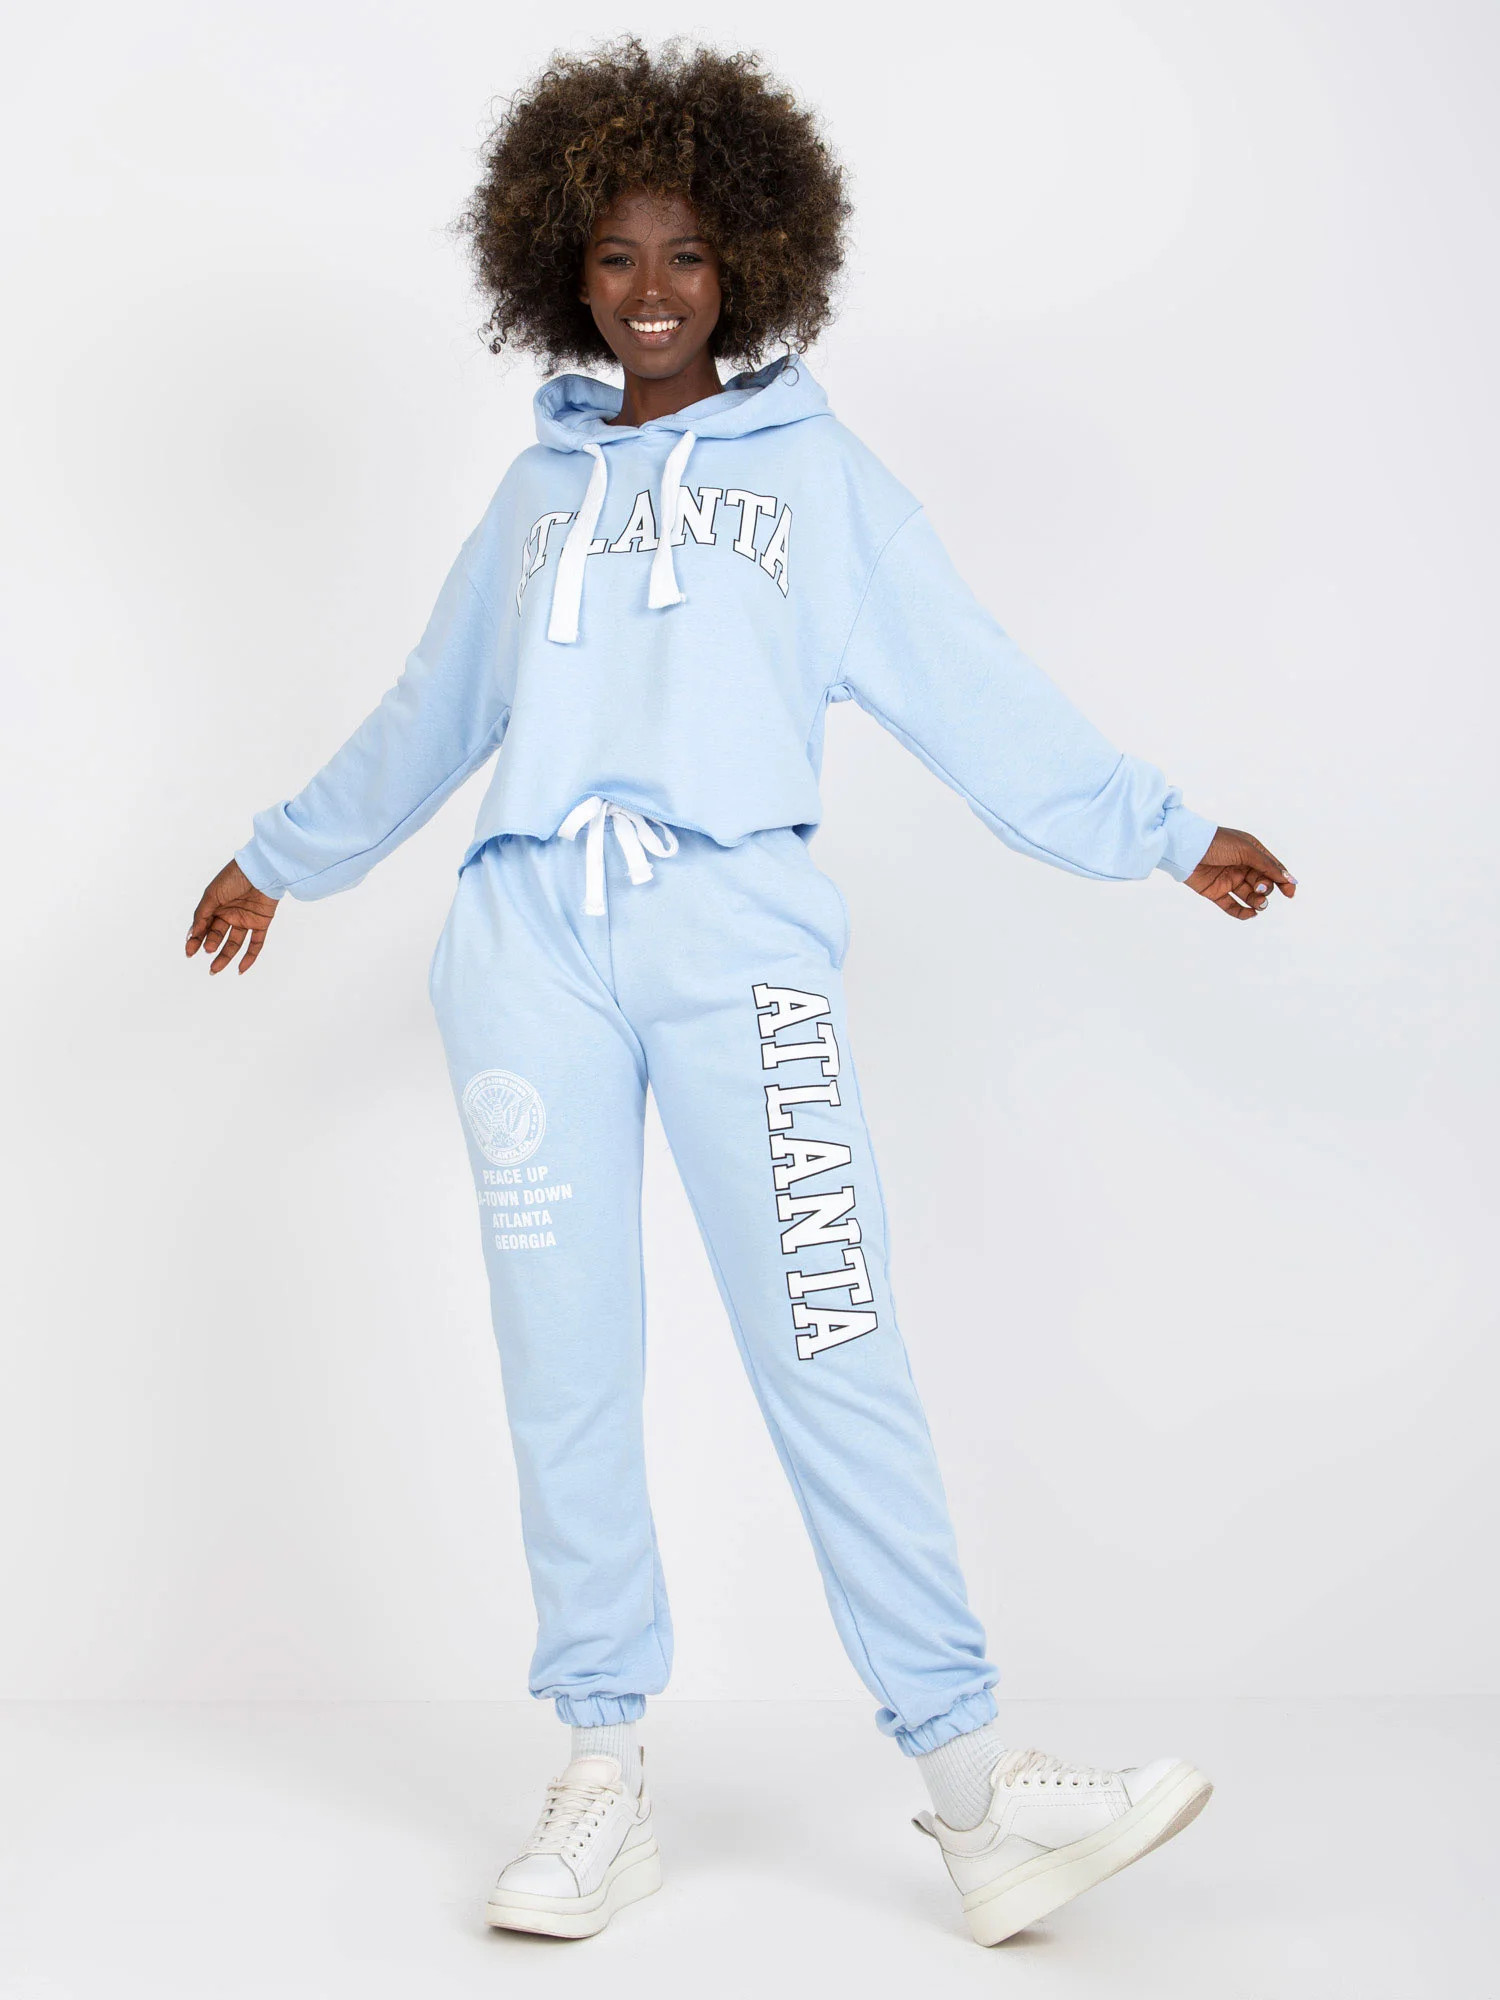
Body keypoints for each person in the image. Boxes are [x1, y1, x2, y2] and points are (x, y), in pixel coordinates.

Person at [187, 39, 1295, 1947]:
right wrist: (284, 856)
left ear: (749, 265)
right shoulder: (534, 496)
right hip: (529, 947)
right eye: (616, 256)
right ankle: (599, 1774)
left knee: (828, 1336)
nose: (651, 290)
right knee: (566, 1363)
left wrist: (1160, 830)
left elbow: (970, 681)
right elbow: (432, 711)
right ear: (562, 268)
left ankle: (977, 1791)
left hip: (738, 942)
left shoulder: (823, 484)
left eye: (686, 254)